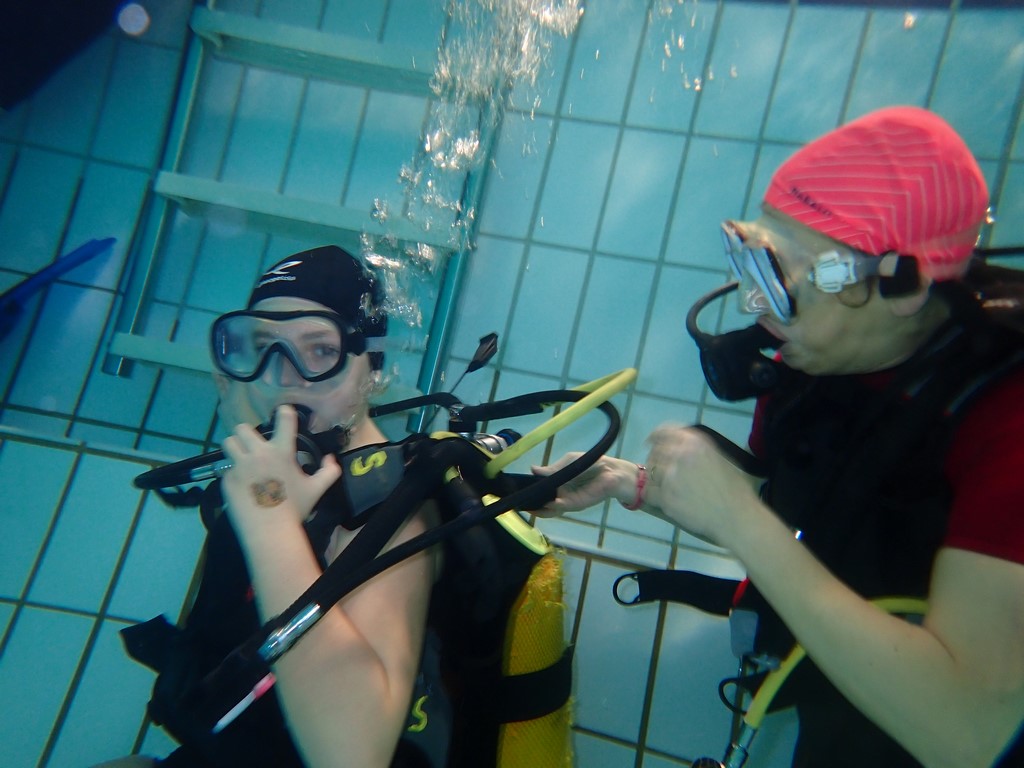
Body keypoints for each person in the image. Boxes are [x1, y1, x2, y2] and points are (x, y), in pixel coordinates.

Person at [535, 106, 1024, 767]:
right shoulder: (809, 366)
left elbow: (972, 732)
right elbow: (802, 509)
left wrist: (739, 522)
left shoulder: (1007, 419)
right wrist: (636, 485)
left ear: (902, 284)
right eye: (748, 259)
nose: (753, 304)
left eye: (780, 277)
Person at [102, 245, 440, 767]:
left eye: (319, 349)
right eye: (263, 346)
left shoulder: (392, 507)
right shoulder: (269, 469)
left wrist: (271, 519)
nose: (281, 378)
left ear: (372, 371)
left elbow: (354, 757)